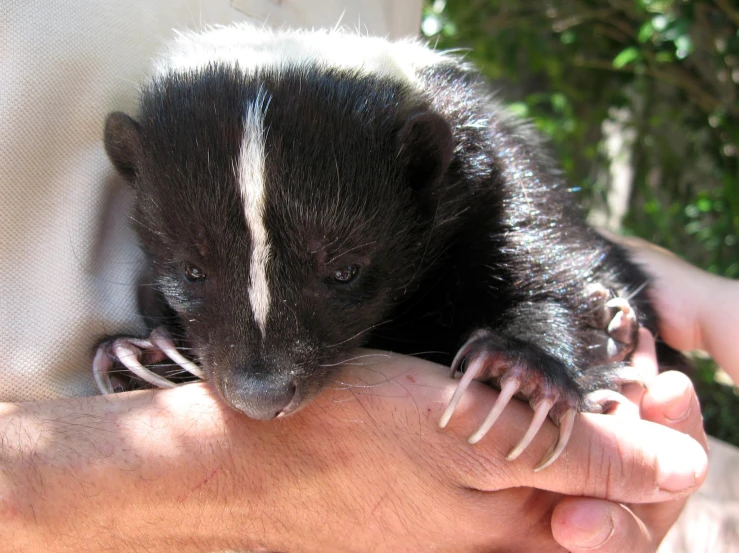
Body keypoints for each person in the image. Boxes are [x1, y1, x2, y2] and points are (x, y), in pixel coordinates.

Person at [0, 2, 716, 551]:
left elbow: (504, 230)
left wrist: (579, 295)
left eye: (340, 271)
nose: (257, 383)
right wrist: (108, 476)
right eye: (192, 272)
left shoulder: (443, 152)